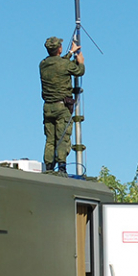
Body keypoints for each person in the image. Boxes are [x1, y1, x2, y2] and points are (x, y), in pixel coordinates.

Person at [40, 36, 84, 174]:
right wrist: (80, 62)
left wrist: (70, 53)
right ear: (59, 48)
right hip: (61, 107)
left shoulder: (43, 64)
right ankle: (62, 167)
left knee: (50, 139)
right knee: (62, 137)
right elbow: (79, 71)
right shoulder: (64, 64)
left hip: (48, 107)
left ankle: (48, 168)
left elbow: (59, 63)